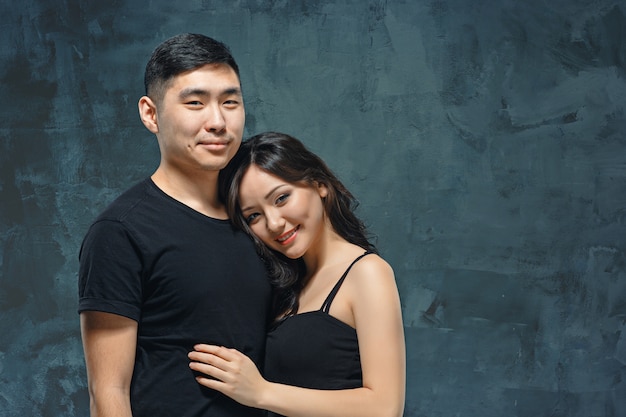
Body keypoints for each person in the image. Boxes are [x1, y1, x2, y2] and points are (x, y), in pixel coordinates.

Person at [78, 33, 272, 417]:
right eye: (195, 103)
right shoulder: (121, 231)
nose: (217, 122)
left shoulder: (259, 219)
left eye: (230, 102)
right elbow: (108, 393)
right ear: (151, 114)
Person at [188, 131, 406, 417]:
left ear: (319, 184)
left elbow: (385, 408)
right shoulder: (288, 287)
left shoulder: (367, 273)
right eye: (254, 216)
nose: (274, 223)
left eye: (281, 198)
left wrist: (261, 392)